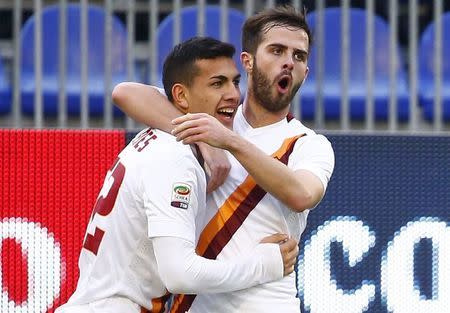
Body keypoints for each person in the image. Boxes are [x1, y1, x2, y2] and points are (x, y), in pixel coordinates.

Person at [113, 5, 335, 313]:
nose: (288, 62)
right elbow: (125, 93)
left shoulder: (307, 144)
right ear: (248, 61)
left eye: (299, 56)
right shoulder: (214, 115)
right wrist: (209, 142)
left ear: (305, 73)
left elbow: (301, 194)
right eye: (277, 50)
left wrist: (228, 142)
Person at [55, 37, 299, 313]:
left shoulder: (157, 135)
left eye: (235, 82)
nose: (233, 94)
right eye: (217, 83)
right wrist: (263, 264)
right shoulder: (175, 158)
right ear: (181, 96)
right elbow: (180, 274)